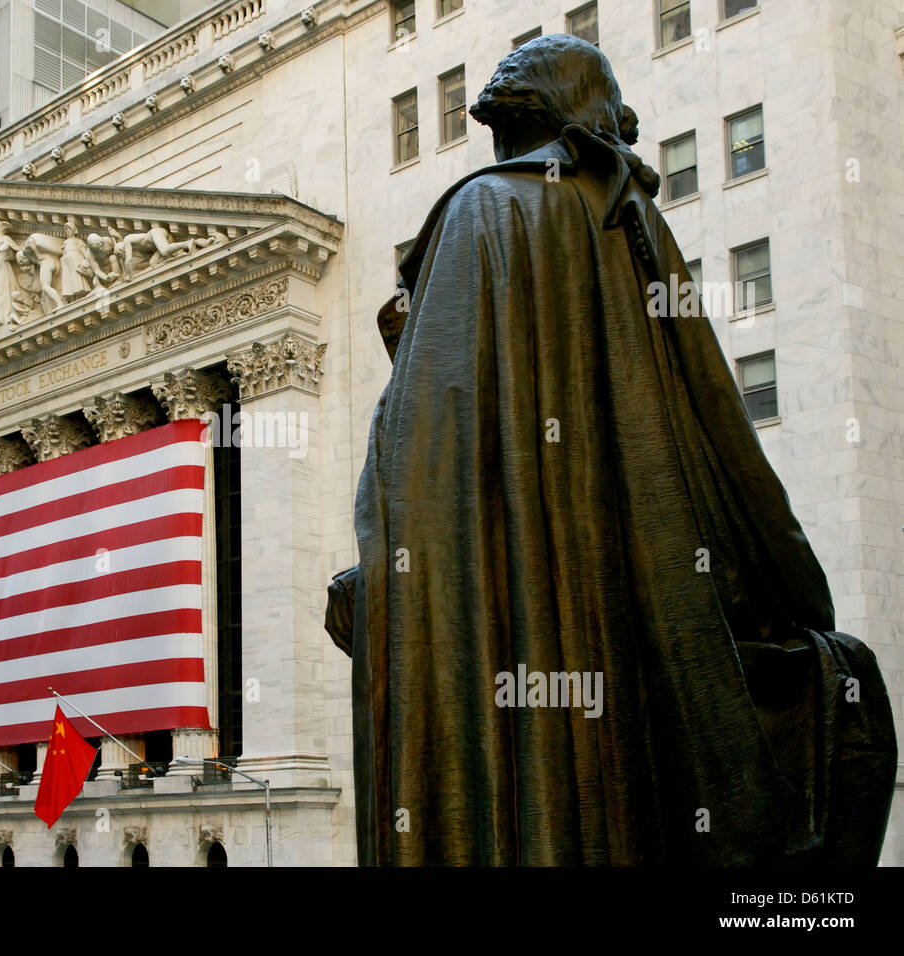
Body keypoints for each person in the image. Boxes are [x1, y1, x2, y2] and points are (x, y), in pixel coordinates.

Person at [332, 34, 896, 866]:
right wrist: (793, 592)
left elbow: (420, 451)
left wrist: (382, 579)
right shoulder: (632, 223)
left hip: (521, 630)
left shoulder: (483, 211)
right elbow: (723, 432)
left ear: (528, 118)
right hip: (635, 613)